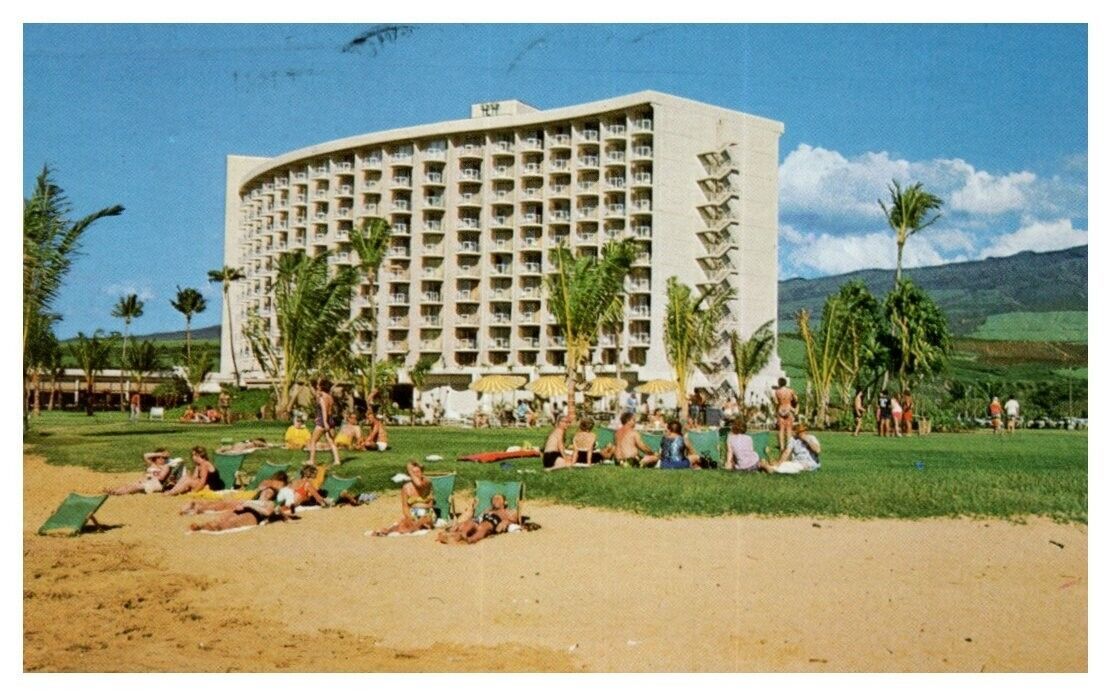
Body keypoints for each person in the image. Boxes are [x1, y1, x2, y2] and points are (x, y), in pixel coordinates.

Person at [372, 460, 436, 536]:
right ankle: (387, 531)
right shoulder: (406, 487)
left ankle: (408, 529)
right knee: (402, 523)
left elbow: (419, 484)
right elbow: (405, 506)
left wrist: (410, 471)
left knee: (421, 522)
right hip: (412, 513)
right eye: (414, 472)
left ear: (422, 473)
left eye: (418, 472)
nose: (416, 474)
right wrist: (409, 517)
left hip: (427, 513)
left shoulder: (427, 481)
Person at [180, 471, 287, 515]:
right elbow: (261, 501)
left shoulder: (267, 485)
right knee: (223, 505)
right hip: (245, 498)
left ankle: (197, 506)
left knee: (223, 504)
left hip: (243, 495)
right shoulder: (270, 489)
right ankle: (198, 508)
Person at [437, 493, 519, 545]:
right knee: (470, 523)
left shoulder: (507, 512)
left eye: (498, 499)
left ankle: (468, 540)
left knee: (483, 527)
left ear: (505, 502)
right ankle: (460, 535)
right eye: (494, 499)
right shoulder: (488, 510)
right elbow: (476, 517)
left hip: (489, 525)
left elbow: (515, 521)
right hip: (478, 522)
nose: (495, 500)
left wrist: (506, 522)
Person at [106, 448, 175, 495]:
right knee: (130, 485)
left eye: (164, 458)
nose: (162, 459)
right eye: (159, 457)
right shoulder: (152, 464)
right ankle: (114, 490)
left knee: (135, 486)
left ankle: (117, 492)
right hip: (145, 481)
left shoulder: (166, 466)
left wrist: (149, 477)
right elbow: (145, 456)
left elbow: (161, 477)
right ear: (155, 457)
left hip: (155, 484)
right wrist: (159, 453)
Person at [308, 378, 341, 468]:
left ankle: (311, 461)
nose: (317, 386)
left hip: (323, 421)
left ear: (321, 386)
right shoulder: (330, 397)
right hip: (331, 420)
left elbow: (324, 410)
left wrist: (325, 422)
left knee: (313, 441)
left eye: (319, 385)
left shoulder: (322, 397)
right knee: (331, 442)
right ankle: (337, 460)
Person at [772, 377, 798, 452]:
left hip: (780, 409)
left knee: (781, 429)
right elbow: (796, 399)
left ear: (779, 383)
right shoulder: (790, 391)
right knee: (789, 429)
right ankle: (789, 446)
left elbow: (776, 402)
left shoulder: (777, 392)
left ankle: (782, 447)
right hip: (788, 409)